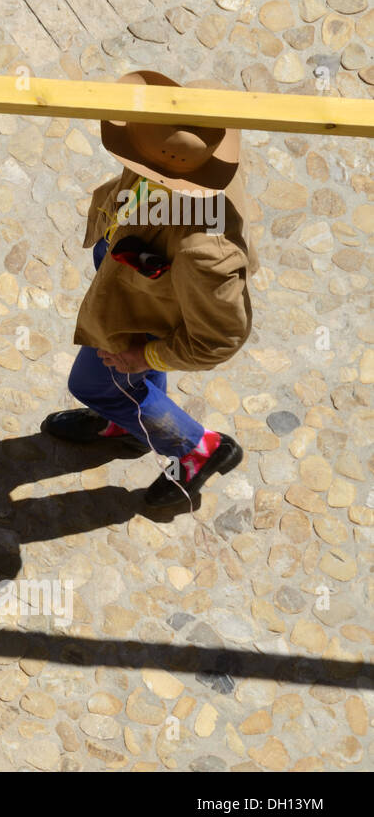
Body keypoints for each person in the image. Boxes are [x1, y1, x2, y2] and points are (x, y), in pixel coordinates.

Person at [41, 70, 258, 507]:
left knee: (94, 383)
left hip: (144, 309)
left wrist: (145, 354)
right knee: (121, 386)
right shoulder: (189, 152)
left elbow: (220, 340)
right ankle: (124, 423)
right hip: (135, 281)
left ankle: (198, 450)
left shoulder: (205, 251)